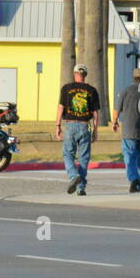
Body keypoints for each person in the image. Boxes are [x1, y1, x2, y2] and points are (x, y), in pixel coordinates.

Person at [56, 64, 100, 196]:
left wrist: (57, 125)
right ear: (85, 75)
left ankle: (73, 175)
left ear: (74, 73)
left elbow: (61, 108)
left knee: (68, 154)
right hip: (85, 124)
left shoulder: (66, 88)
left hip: (70, 124)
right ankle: (80, 187)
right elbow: (95, 113)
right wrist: (95, 130)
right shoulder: (92, 90)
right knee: (84, 157)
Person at [113, 67, 140, 193]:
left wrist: (114, 122)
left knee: (129, 156)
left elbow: (116, 110)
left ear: (133, 77)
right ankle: (139, 184)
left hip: (129, 130)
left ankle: (133, 179)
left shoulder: (125, 91)